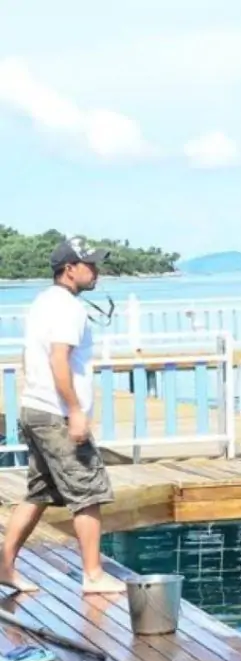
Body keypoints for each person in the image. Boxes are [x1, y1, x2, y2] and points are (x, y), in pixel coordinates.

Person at [0, 237, 125, 594]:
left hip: (35, 407)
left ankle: (4, 566)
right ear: (69, 269)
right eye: (90, 264)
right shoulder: (68, 309)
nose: (96, 271)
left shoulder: (42, 302)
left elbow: (31, 357)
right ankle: (93, 575)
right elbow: (59, 359)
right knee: (89, 491)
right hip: (57, 414)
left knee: (39, 492)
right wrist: (75, 412)